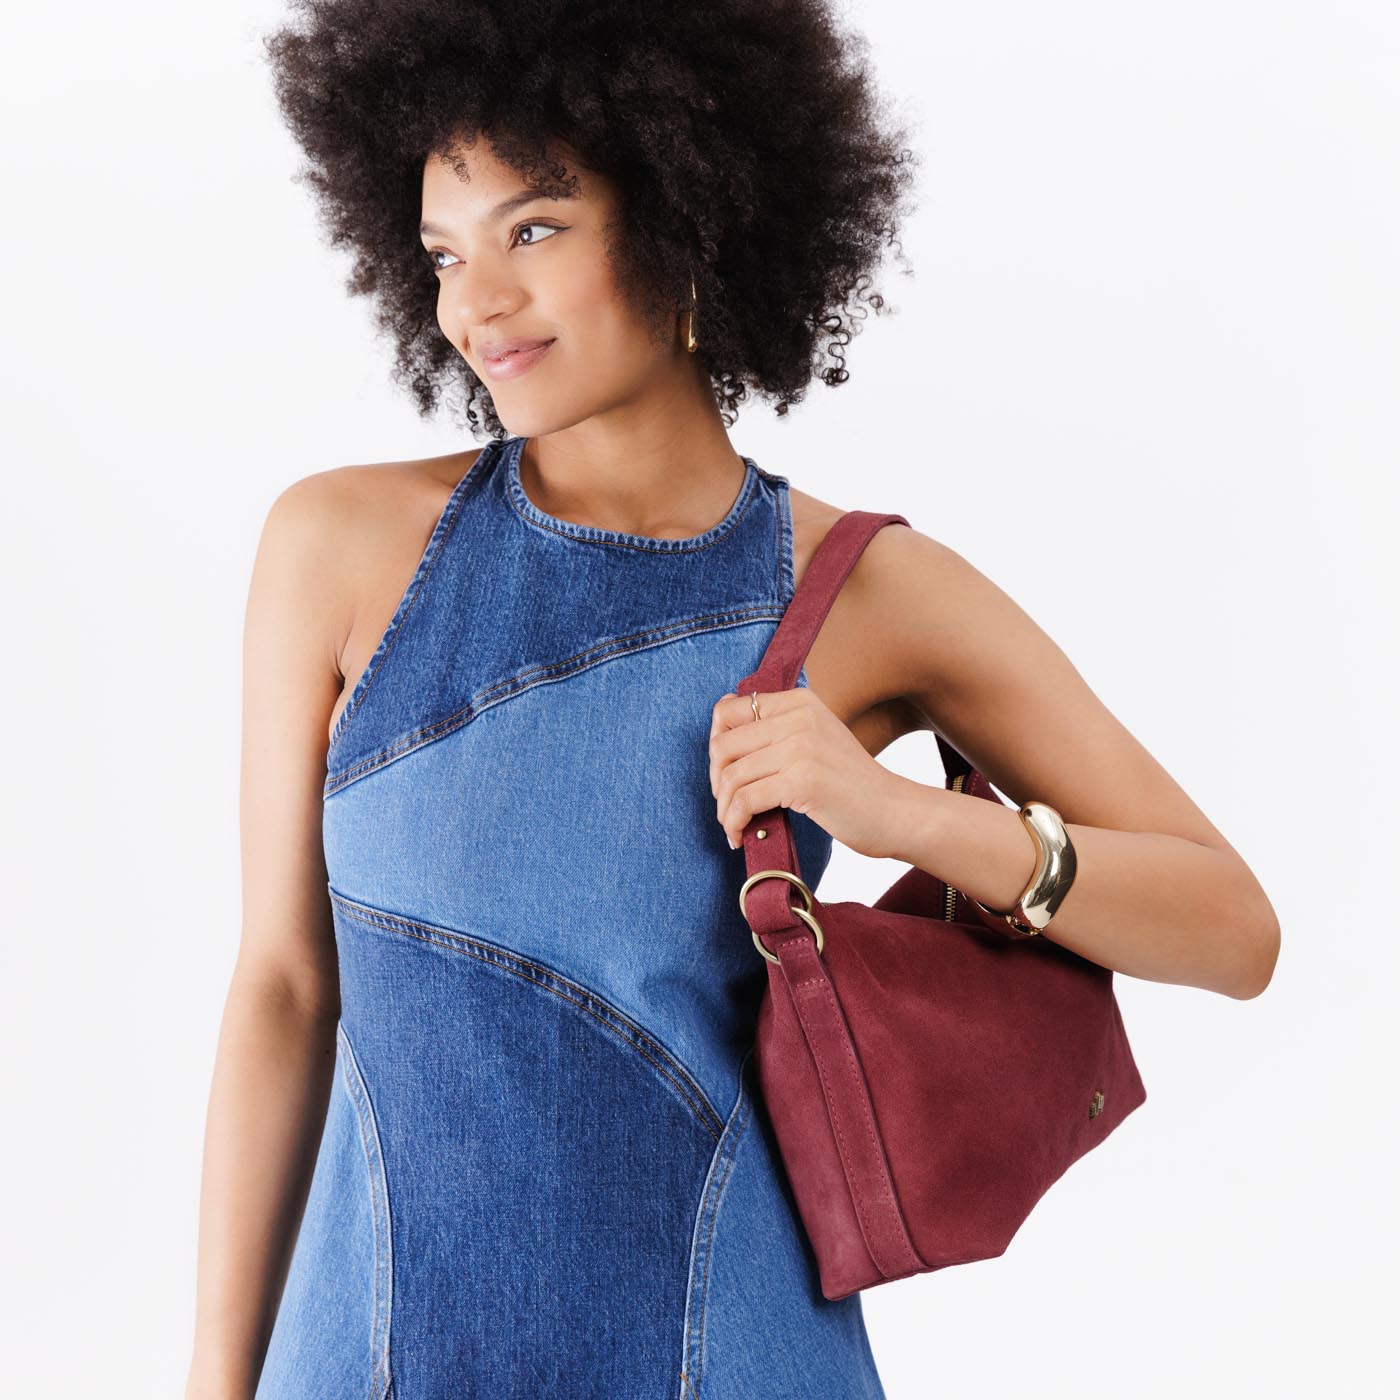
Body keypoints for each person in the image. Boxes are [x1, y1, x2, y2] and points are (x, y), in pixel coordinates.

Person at [185, 2, 1281, 1397]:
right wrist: (214, 1380)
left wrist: (901, 817)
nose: (476, 304)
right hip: (369, 1359)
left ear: (683, 217)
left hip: (729, 1354)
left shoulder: (866, 591)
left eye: (535, 230)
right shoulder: (337, 548)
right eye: (444, 253)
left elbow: (1233, 928)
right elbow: (285, 987)